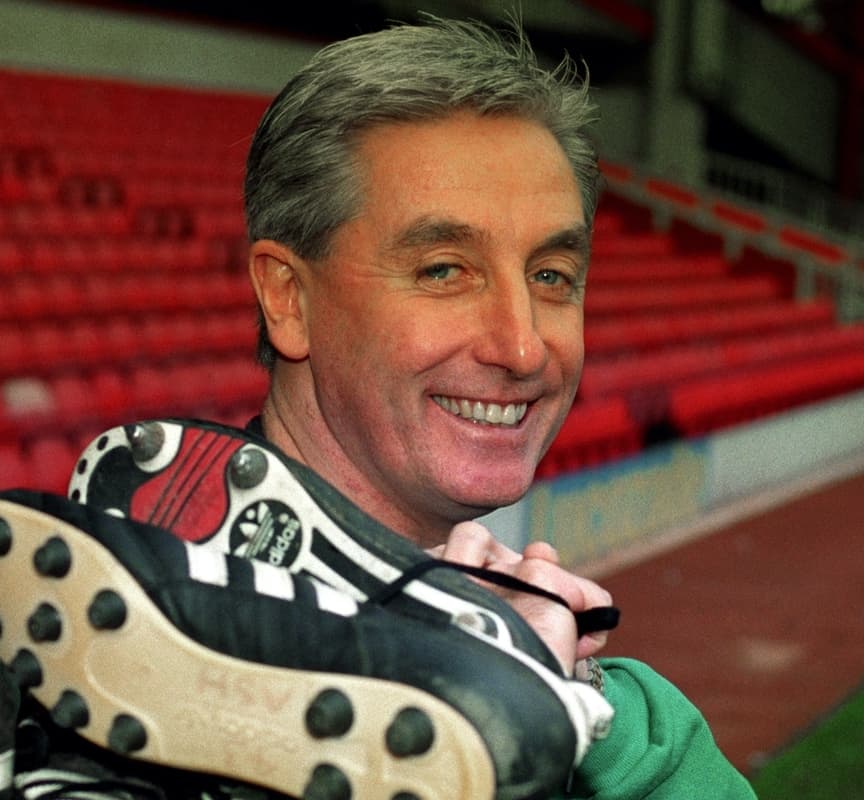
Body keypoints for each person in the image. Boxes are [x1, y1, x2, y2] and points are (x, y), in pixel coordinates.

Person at [233, 16, 756, 800]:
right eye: (445, 269)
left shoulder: (639, 737)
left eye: (551, 276)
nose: (523, 349)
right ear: (289, 299)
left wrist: (568, 714)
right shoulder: (91, 638)